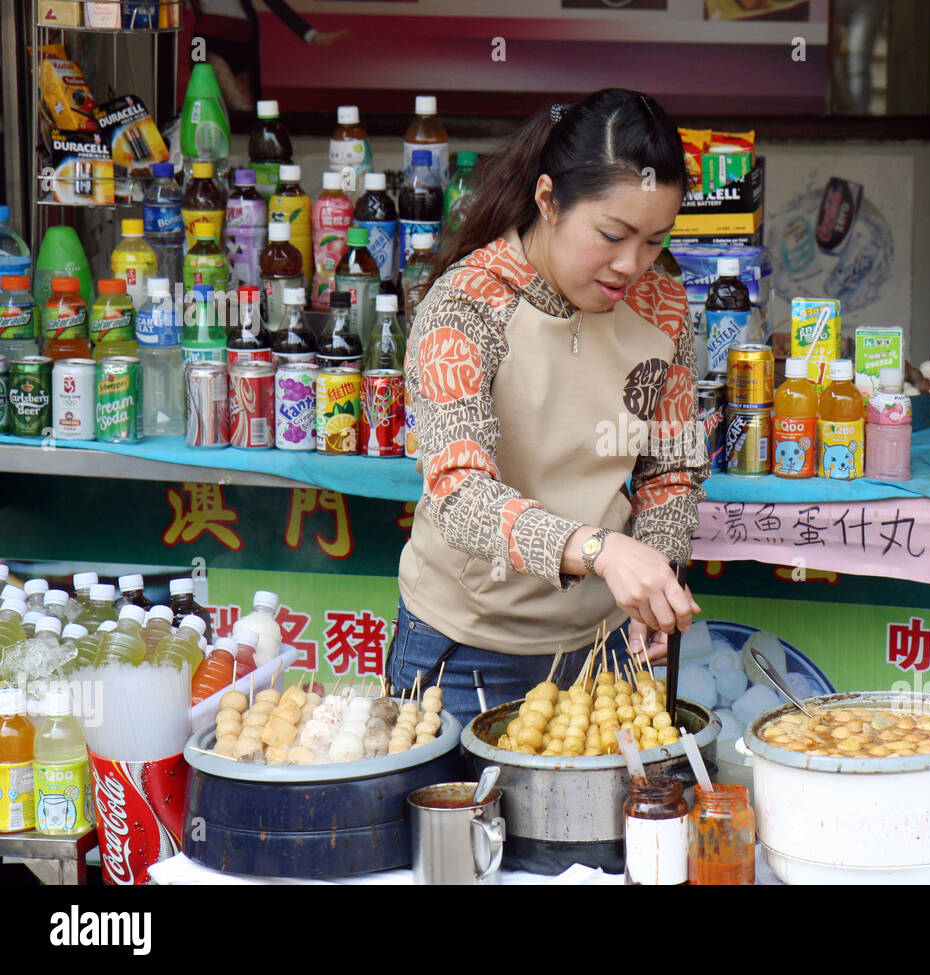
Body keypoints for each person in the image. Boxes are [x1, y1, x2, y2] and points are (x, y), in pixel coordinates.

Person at [386, 90, 707, 726]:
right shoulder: (466, 306)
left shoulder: (665, 311)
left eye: (654, 241)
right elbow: (457, 493)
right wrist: (603, 553)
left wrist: (655, 585)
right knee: (464, 825)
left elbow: (670, 470)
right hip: (465, 647)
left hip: (607, 645)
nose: (631, 266)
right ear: (547, 200)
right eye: (612, 236)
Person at [187, 0, 349, 110]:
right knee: (232, 102)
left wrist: (311, 35)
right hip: (207, 38)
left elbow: (275, 3)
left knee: (245, 108)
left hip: (242, 37)